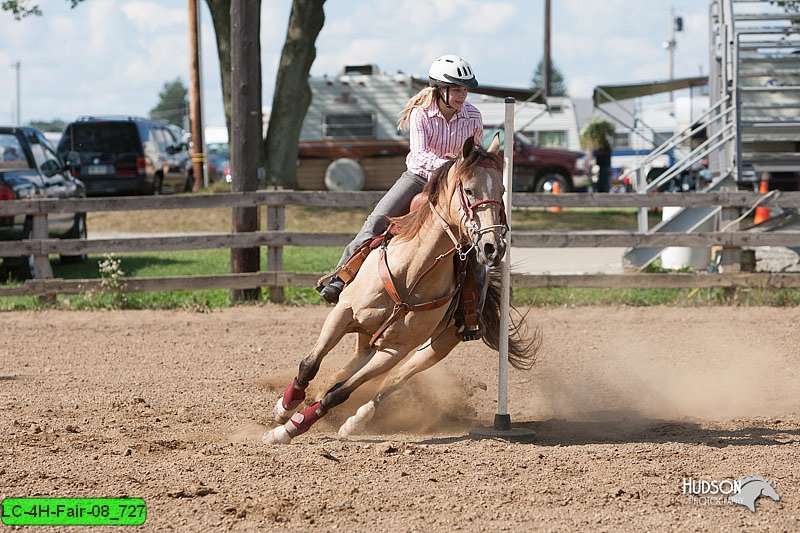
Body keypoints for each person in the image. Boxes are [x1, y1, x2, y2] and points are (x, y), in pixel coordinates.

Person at [318, 54, 484, 304]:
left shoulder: (473, 117)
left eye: (464, 90)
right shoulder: (421, 114)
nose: (462, 95)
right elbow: (420, 155)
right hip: (418, 178)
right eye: (456, 90)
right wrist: (451, 167)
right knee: (377, 220)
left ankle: (473, 308)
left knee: (475, 239)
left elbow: (474, 156)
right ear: (439, 90)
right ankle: (340, 278)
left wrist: (462, 173)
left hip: (455, 185)